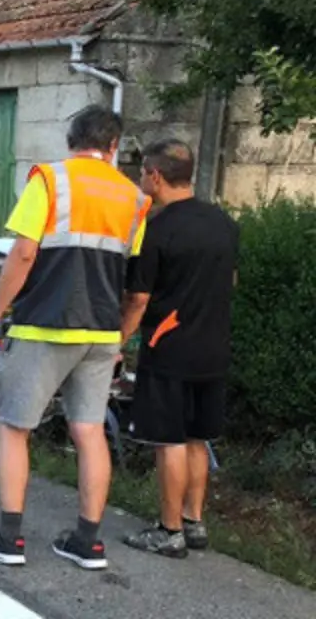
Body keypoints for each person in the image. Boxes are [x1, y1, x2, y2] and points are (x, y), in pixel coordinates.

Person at [0, 105, 150, 570]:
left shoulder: (49, 180)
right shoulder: (135, 198)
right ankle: (87, 542)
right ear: (113, 147)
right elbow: (135, 286)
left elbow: (24, 253)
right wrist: (121, 340)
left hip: (44, 326)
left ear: (71, 141)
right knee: (88, 431)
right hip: (102, 333)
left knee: (13, 427)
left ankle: (8, 538)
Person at [118, 139, 239, 559]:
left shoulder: (157, 227)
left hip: (168, 348)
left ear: (155, 175)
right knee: (197, 437)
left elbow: (138, 298)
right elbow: (232, 281)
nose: (140, 179)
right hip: (214, 347)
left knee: (168, 440)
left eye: (141, 173)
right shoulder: (224, 222)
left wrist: (118, 342)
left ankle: (168, 531)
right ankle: (194, 520)